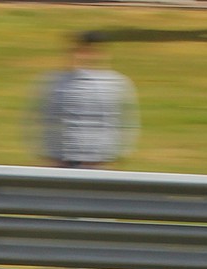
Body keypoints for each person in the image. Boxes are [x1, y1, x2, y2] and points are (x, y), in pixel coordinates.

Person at [31, 33, 138, 170]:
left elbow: (128, 122)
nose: (85, 56)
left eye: (91, 51)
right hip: (61, 161)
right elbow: (39, 119)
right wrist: (45, 155)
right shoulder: (54, 82)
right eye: (81, 51)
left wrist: (118, 156)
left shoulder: (115, 83)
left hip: (98, 163)